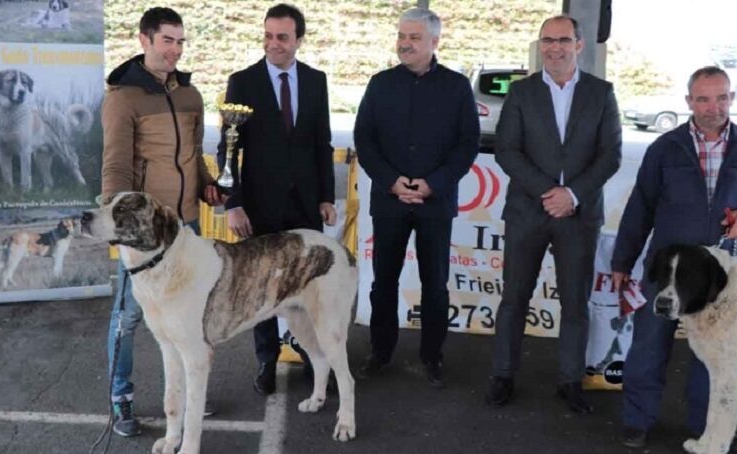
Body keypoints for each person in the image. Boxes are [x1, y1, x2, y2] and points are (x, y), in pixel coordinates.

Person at [611, 65, 737, 451]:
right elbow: (640, 208)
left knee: (720, 357)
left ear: (731, 99)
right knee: (649, 348)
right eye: (703, 98)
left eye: (721, 97)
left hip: (722, 278)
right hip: (666, 270)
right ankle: (637, 421)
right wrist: (623, 262)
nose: (712, 107)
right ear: (689, 101)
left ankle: (711, 429)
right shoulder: (665, 148)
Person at [485, 15, 622, 413]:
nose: (554, 48)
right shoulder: (522, 92)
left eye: (563, 40)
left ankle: (570, 381)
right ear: (539, 45)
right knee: (513, 299)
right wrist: (549, 192)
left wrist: (573, 194)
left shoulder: (601, 93)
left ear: (580, 45)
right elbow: (506, 149)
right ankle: (502, 375)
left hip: (578, 216)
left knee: (575, 303)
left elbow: (609, 155)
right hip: (529, 211)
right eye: (547, 40)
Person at [101, 7, 223, 437]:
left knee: (192, 314)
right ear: (144, 40)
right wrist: (118, 220)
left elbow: (192, 154)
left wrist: (208, 185)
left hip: (187, 227)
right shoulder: (121, 98)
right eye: (167, 40)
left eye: (180, 41)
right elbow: (115, 167)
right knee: (131, 316)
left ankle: (190, 395)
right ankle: (121, 396)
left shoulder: (190, 95)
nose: (174, 49)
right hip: (144, 235)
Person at [353, 7, 479, 389]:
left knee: (435, 284)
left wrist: (433, 183)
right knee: (383, 283)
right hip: (389, 202)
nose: (405, 44)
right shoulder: (380, 83)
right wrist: (392, 181)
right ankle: (380, 351)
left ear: (434, 42)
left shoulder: (457, 87)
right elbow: (365, 138)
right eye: (402, 37)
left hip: (434, 203)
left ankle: (432, 355)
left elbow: (467, 144)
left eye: (414, 38)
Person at [216, 3, 336, 396]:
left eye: (282, 37)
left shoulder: (317, 81)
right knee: (260, 288)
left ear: (299, 39)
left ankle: (310, 356)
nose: (273, 44)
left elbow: (322, 144)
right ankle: (267, 359)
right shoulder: (242, 82)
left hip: (305, 206)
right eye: (268, 36)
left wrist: (326, 197)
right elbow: (228, 150)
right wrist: (232, 203)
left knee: (309, 286)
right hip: (259, 208)